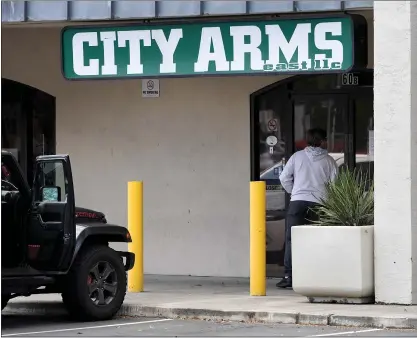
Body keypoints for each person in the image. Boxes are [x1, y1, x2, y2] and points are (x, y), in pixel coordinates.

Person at [276, 128, 338, 288]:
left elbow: (283, 177)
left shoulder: (297, 157)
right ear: (323, 141)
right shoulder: (330, 161)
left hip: (298, 202)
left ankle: (289, 276)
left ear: (308, 140)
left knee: (291, 239)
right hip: (320, 203)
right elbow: (335, 185)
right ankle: (315, 275)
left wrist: (294, 192)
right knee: (317, 240)